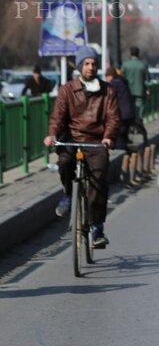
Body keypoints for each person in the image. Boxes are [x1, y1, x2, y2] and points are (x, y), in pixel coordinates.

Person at [43, 46, 119, 248]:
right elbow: (57, 117)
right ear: (79, 66)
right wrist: (51, 135)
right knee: (65, 161)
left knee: (98, 180)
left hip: (96, 141)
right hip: (72, 138)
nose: (90, 67)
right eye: (86, 63)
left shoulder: (108, 91)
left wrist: (108, 137)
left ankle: (97, 228)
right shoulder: (67, 90)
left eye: (94, 63)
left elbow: (113, 117)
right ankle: (68, 194)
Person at [121, 46, 150, 144]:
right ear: (138, 53)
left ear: (130, 53)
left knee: (128, 112)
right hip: (140, 92)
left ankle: (129, 130)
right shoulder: (142, 65)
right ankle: (139, 129)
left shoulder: (125, 64)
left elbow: (121, 77)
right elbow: (148, 79)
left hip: (127, 92)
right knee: (139, 113)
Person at [104, 66, 135, 151]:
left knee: (118, 134)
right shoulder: (121, 81)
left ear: (110, 76)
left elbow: (108, 96)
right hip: (129, 112)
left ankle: (122, 152)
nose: (106, 79)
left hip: (123, 114)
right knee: (123, 135)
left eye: (106, 77)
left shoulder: (114, 84)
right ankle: (126, 152)